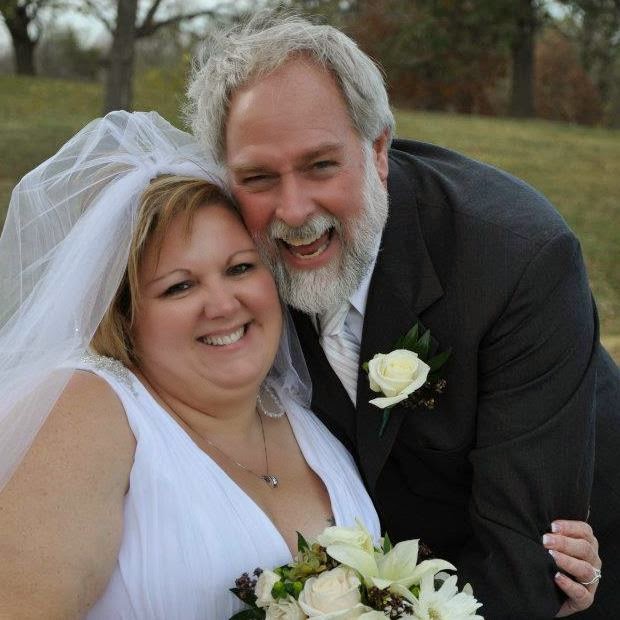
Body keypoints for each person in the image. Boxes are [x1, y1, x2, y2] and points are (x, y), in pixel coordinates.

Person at [186, 12, 619, 619]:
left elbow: (524, 565)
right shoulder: (225, 269)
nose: (294, 210)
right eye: (258, 177)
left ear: (379, 150)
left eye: (320, 165)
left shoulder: (517, 259)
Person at [0, 111, 381, 617]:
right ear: (125, 315)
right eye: (179, 286)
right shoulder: (87, 410)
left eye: (240, 268)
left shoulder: (305, 415)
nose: (222, 305)